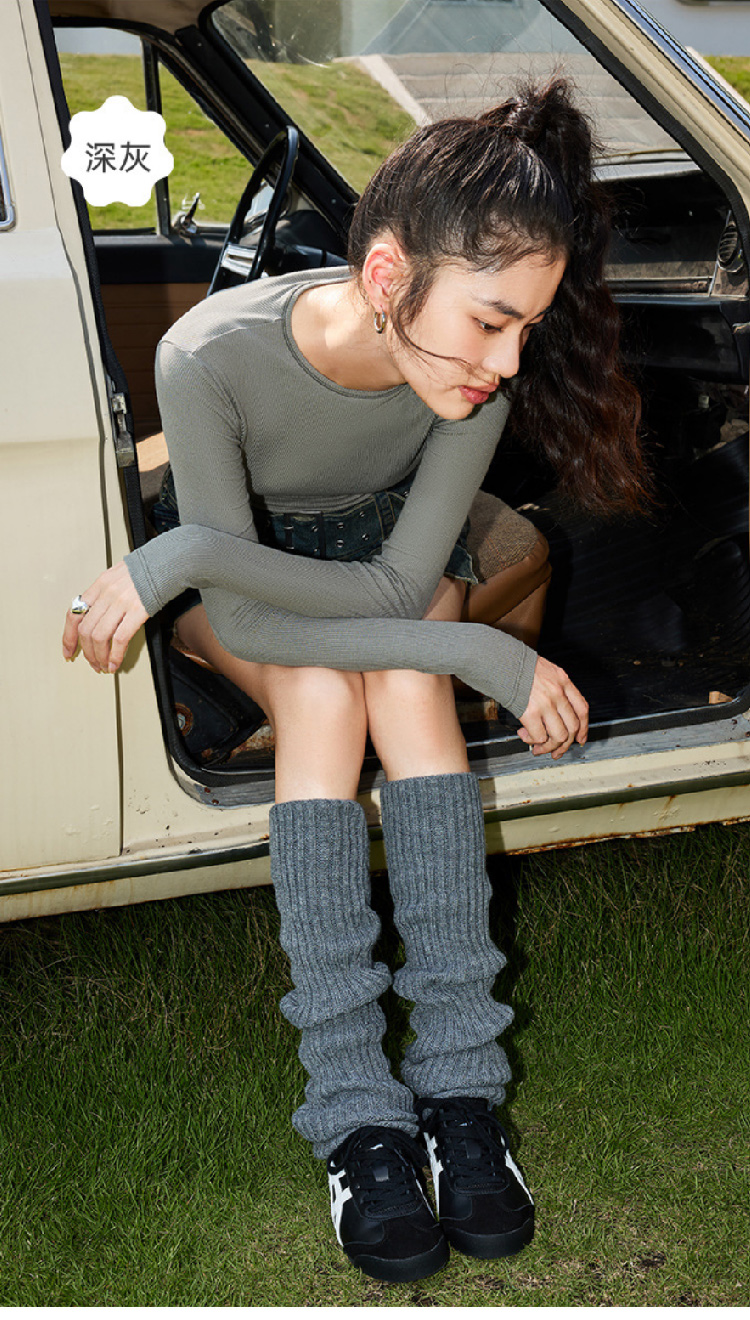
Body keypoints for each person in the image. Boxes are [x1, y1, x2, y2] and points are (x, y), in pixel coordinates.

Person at [62, 79, 647, 1284]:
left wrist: (455, 646)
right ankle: (356, 1118)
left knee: (410, 690)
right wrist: (482, 649)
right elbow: (238, 607)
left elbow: (392, 589)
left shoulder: (470, 387)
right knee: (329, 698)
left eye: (527, 328)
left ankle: (461, 1097)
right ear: (389, 278)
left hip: (382, 563)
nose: (507, 360)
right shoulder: (207, 355)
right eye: (492, 321)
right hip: (242, 571)